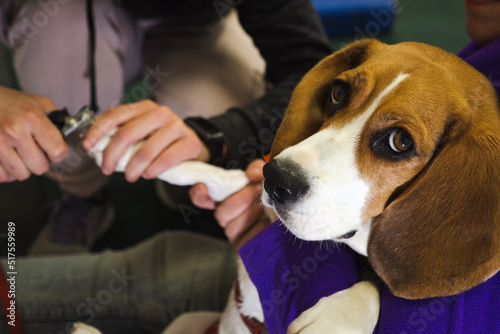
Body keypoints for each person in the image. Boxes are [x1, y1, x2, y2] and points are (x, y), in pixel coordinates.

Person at [190, 0, 500, 332]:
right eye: (340, 95)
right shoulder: (476, 57)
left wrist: (284, 261)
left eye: (398, 142)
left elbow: (423, 285)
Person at [0, 0, 331, 254]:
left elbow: (314, 75)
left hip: (195, 21)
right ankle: (82, 197)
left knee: (208, 121)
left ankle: (180, 181)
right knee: (60, 47)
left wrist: (216, 133)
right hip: (65, 13)